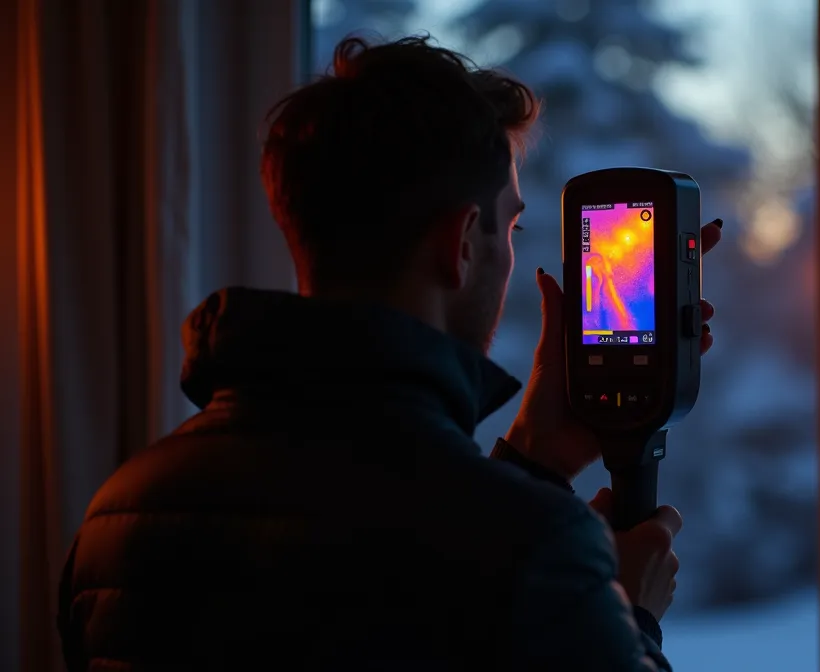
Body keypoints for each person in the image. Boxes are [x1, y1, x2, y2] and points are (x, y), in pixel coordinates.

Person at [55, 35, 724, 671]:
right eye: (511, 223)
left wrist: (537, 462)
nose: (511, 251)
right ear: (461, 242)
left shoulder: (115, 520)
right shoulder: (529, 554)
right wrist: (629, 614)